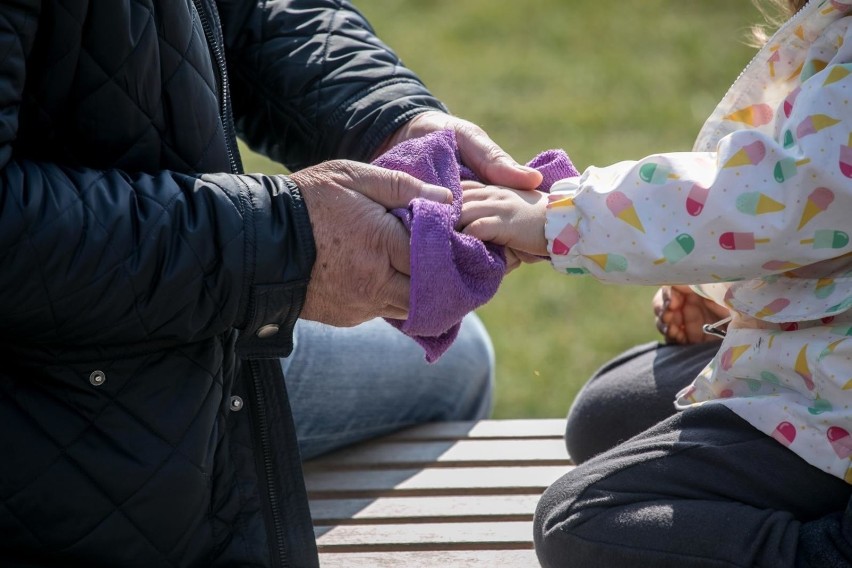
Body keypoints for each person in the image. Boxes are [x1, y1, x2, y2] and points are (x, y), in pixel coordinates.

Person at [0, 1, 544, 566]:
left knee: (463, 360)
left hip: (145, 335)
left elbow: (248, 11)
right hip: (50, 401)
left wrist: (385, 115)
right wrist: (289, 242)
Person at [460, 0, 852, 565]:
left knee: (579, 523)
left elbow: (772, 194)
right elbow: (825, 219)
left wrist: (563, 220)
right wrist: (722, 299)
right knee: (605, 413)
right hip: (826, 347)